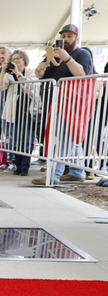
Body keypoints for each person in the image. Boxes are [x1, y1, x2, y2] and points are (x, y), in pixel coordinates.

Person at [32, 24, 94, 185]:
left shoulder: (82, 54)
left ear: (76, 38)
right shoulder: (53, 54)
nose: (66, 39)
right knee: (70, 139)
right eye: (63, 36)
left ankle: (53, 176)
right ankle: (76, 172)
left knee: (66, 139)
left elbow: (82, 74)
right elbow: (41, 74)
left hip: (73, 105)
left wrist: (67, 57)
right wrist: (39, 69)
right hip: (55, 102)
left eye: (69, 36)